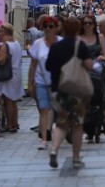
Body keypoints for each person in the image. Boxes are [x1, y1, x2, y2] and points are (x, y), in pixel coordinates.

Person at [45, 17, 93, 170]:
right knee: (77, 124)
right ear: (78, 30)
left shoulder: (55, 46)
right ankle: (76, 158)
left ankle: (54, 149)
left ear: (63, 29)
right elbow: (89, 65)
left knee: (61, 123)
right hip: (76, 91)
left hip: (59, 90)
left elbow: (48, 66)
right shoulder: (81, 46)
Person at [28, 16, 62, 150]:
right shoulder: (38, 44)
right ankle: (44, 139)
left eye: (51, 26)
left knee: (58, 109)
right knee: (43, 109)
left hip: (58, 82)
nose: (48, 29)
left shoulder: (61, 43)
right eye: (45, 26)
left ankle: (59, 134)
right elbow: (33, 65)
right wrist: (30, 84)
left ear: (56, 28)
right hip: (41, 81)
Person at [0, 23, 23, 134]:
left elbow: (2, 60)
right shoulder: (16, 43)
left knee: (8, 100)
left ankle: (10, 125)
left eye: (0, 32)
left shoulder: (5, 45)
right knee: (14, 101)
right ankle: (15, 123)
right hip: (16, 73)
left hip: (8, 75)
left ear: (4, 32)